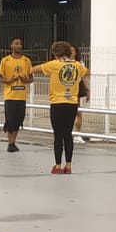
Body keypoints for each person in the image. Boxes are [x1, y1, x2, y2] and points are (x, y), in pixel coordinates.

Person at [35, 41, 87, 174]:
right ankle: (68, 165)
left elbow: (34, 69)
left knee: (58, 135)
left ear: (55, 53)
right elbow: (86, 72)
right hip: (72, 103)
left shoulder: (53, 64)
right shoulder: (77, 65)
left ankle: (57, 166)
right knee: (68, 134)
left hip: (57, 103)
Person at [0, 38, 33, 153]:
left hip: (21, 96)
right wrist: (9, 80)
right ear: (11, 45)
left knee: (19, 119)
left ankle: (14, 142)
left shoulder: (26, 61)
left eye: (20, 44)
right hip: (10, 95)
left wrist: (25, 79)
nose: (19, 45)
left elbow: (31, 78)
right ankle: (10, 143)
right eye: (16, 43)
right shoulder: (5, 60)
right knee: (10, 119)